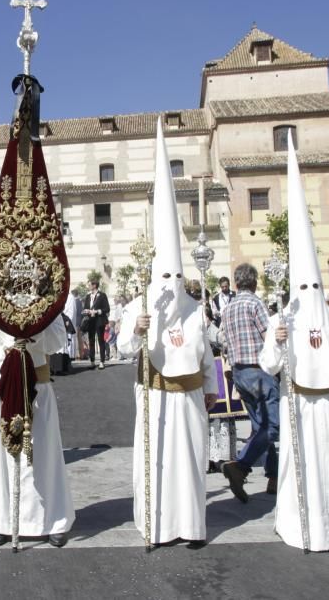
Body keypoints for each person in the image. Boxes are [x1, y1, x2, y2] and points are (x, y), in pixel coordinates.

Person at [258, 133, 329, 552]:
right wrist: (279, 339)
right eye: (301, 285)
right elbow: (269, 364)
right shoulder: (282, 318)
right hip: (298, 403)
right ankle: (298, 524)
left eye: (313, 284)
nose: (306, 290)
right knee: (300, 468)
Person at [116, 119, 217, 546]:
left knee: (190, 462)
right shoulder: (138, 307)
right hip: (155, 397)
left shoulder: (196, 311)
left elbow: (207, 356)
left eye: (179, 276)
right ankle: (156, 524)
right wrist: (136, 331)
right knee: (157, 463)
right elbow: (123, 349)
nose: (173, 283)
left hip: (190, 399)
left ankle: (191, 526)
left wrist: (211, 387)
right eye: (166, 275)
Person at [0, 315, 73, 547]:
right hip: (4, 385)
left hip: (38, 384)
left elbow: (58, 338)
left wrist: (34, 334)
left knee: (42, 456)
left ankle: (52, 521)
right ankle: (3, 521)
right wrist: (8, 367)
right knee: (3, 455)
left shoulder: (49, 302)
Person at [219, 263, 279, 501]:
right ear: (254, 282)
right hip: (258, 370)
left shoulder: (229, 307)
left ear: (235, 283)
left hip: (239, 373)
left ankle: (273, 477)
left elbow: (224, 340)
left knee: (260, 428)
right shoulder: (255, 303)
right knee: (273, 426)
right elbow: (269, 337)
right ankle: (241, 466)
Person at [82, 279, 110, 370]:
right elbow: (85, 307)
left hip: (99, 320)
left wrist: (97, 311)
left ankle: (102, 361)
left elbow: (107, 308)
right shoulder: (87, 296)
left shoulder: (102, 295)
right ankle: (92, 361)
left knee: (101, 340)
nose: (88, 286)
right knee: (91, 341)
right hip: (90, 321)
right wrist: (86, 311)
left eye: (89, 285)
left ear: (94, 285)